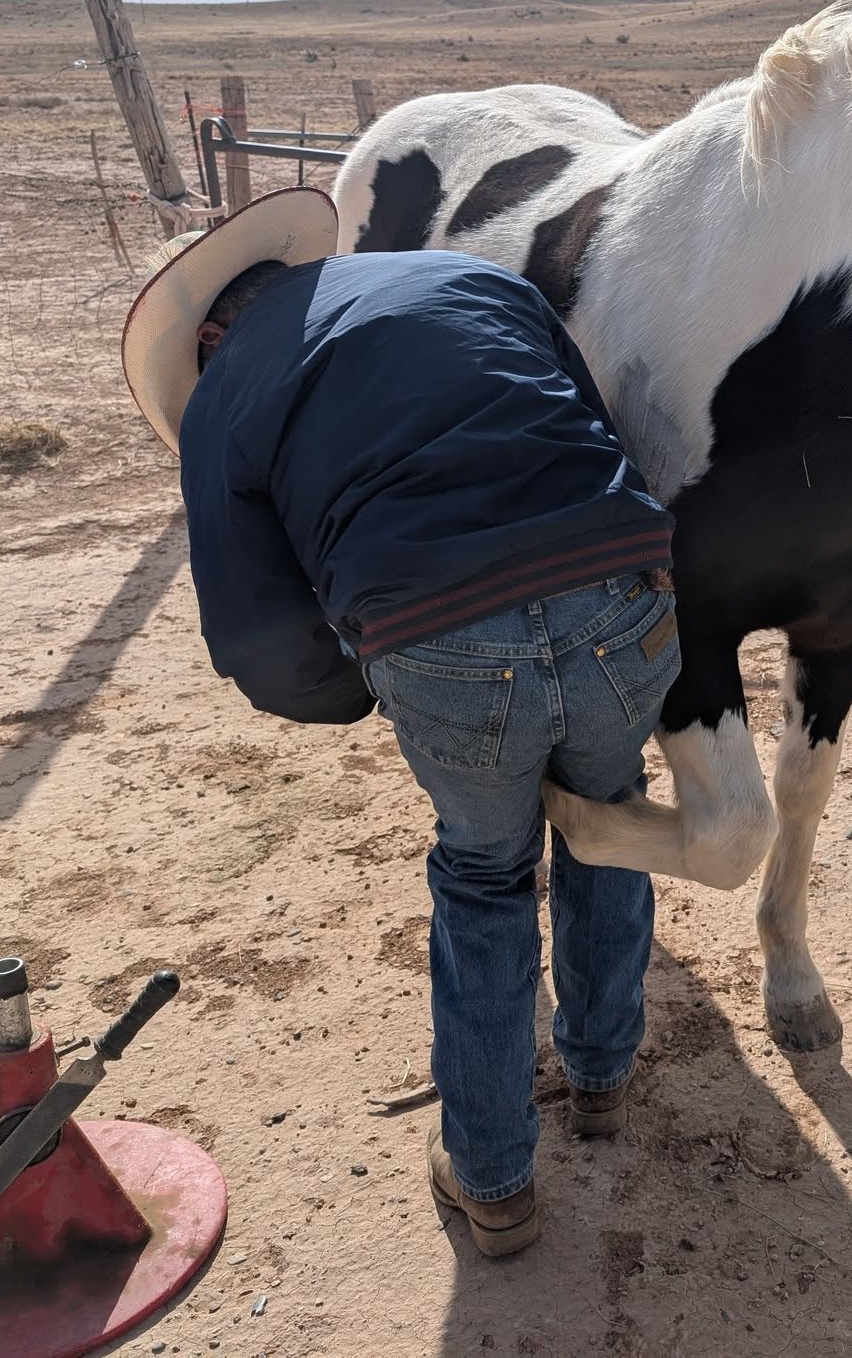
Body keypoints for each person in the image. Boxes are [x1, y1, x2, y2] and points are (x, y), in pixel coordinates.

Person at [121, 188, 679, 1256]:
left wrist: (369, 686)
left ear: (208, 336)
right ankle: (602, 1078)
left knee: (484, 877)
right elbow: (586, 426)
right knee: (607, 818)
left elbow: (254, 636)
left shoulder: (224, 392)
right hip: (621, 590)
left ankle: (494, 1180)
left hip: (442, 636)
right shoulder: (468, 278)